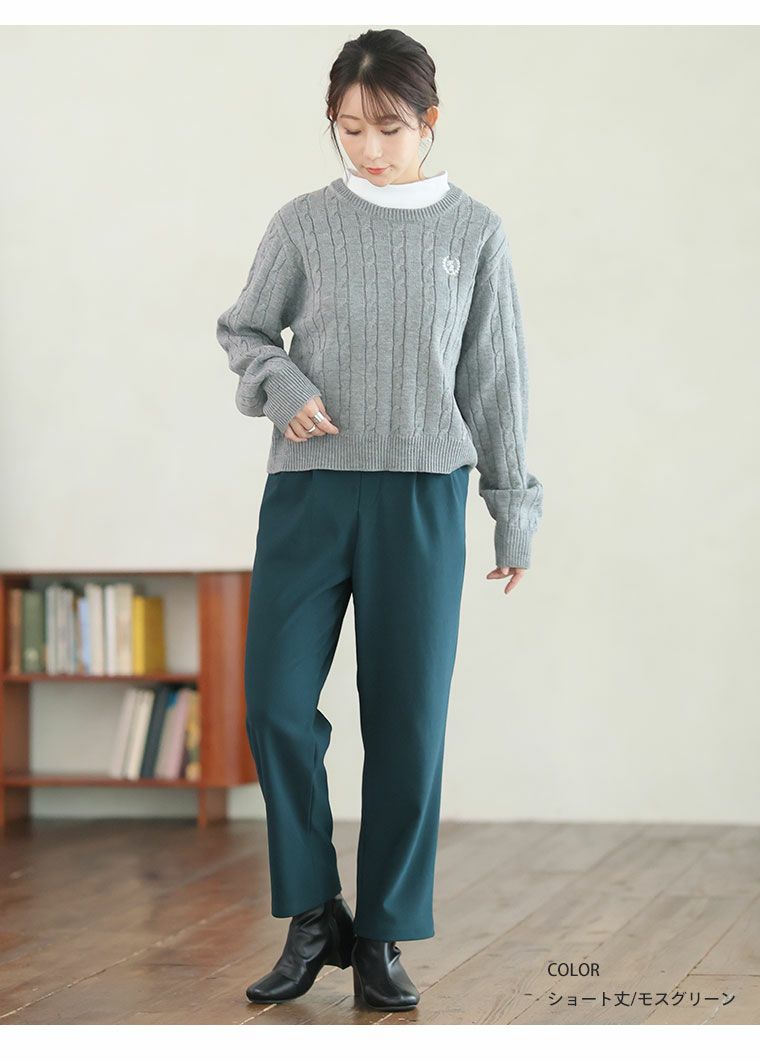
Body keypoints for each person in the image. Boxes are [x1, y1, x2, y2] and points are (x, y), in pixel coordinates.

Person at [215, 27, 544, 1013]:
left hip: (422, 495)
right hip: (310, 489)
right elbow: (244, 328)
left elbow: (495, 375)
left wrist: (512, 510)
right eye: (349, 128)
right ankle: (314, 913)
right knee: (275, 705)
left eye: (388, 128)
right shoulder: (303, 223)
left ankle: (385, 932)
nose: (368, 147)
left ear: (429, 121)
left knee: (407, 722)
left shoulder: (474, 230)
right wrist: (281, 384)